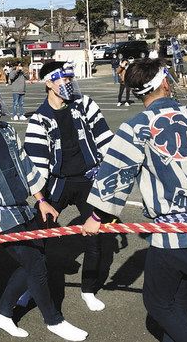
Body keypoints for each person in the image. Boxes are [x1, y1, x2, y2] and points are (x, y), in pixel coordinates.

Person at [81, 58, 187, 342]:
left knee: (157, 305)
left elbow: (116, 174)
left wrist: (96, 218)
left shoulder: (136, 128)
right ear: (165, 82)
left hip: (173, 240)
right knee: (177, 308)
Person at [0, 82, 88, 341]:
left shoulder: (7, 130)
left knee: (36, 258)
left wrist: (41, 199)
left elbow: (25, 165)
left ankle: (4, 313)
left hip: (21, 207)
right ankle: (54, 320)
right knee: (36, 264)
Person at [25, 61, 113, 312]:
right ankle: (31, 287)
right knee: (37, 237)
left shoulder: (85, 105)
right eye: (61, 80)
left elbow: (105, 139)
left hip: (88, 179)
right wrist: (40, 198)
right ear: (48, 83)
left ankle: (88, 289)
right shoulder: (39, 118)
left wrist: (109, 175)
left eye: (69, 79)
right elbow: (35, 163)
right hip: (58, 183)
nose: (67, 84)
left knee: (95, 239)